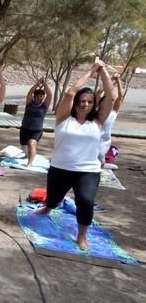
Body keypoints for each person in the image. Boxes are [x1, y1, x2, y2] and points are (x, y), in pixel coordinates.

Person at [35, 58, 116, 250]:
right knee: (53, 199)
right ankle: (48, 207)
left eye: (89, 102)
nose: (85, 104)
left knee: (86, 201)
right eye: (81, 101)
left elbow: (111, 98)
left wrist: (103, 71)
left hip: (88, 171)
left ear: (93, 104)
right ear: (76, 103)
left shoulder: (97, 122)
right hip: (60, 168)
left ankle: (81, 236)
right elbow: (70, 92)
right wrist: (91, 71)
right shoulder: (64, 119)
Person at [19, 77, 52, 167]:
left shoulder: (44, 106)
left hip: (37, 130)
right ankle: (27, 155)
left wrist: (44, 83)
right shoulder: (29, 103)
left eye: (41, 96)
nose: (39, 98)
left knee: (32, 143)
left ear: (43, 97)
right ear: (34, 97)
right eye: (37, 96)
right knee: (25, 147)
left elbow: (49, 95)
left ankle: (30, 163)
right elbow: (30, 93)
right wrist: (37, 84)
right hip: (25, 128)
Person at [96, 72, 124, 168]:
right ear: (101, 102)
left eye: (112, 101)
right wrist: (111, 80)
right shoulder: (96, 109)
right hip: (93, 138)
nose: (111, 103)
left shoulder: (113, 113)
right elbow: (99, 92)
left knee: (100, 161)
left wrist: (118, 80)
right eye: (108, 101)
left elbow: (121, 96)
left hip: (105, 141)